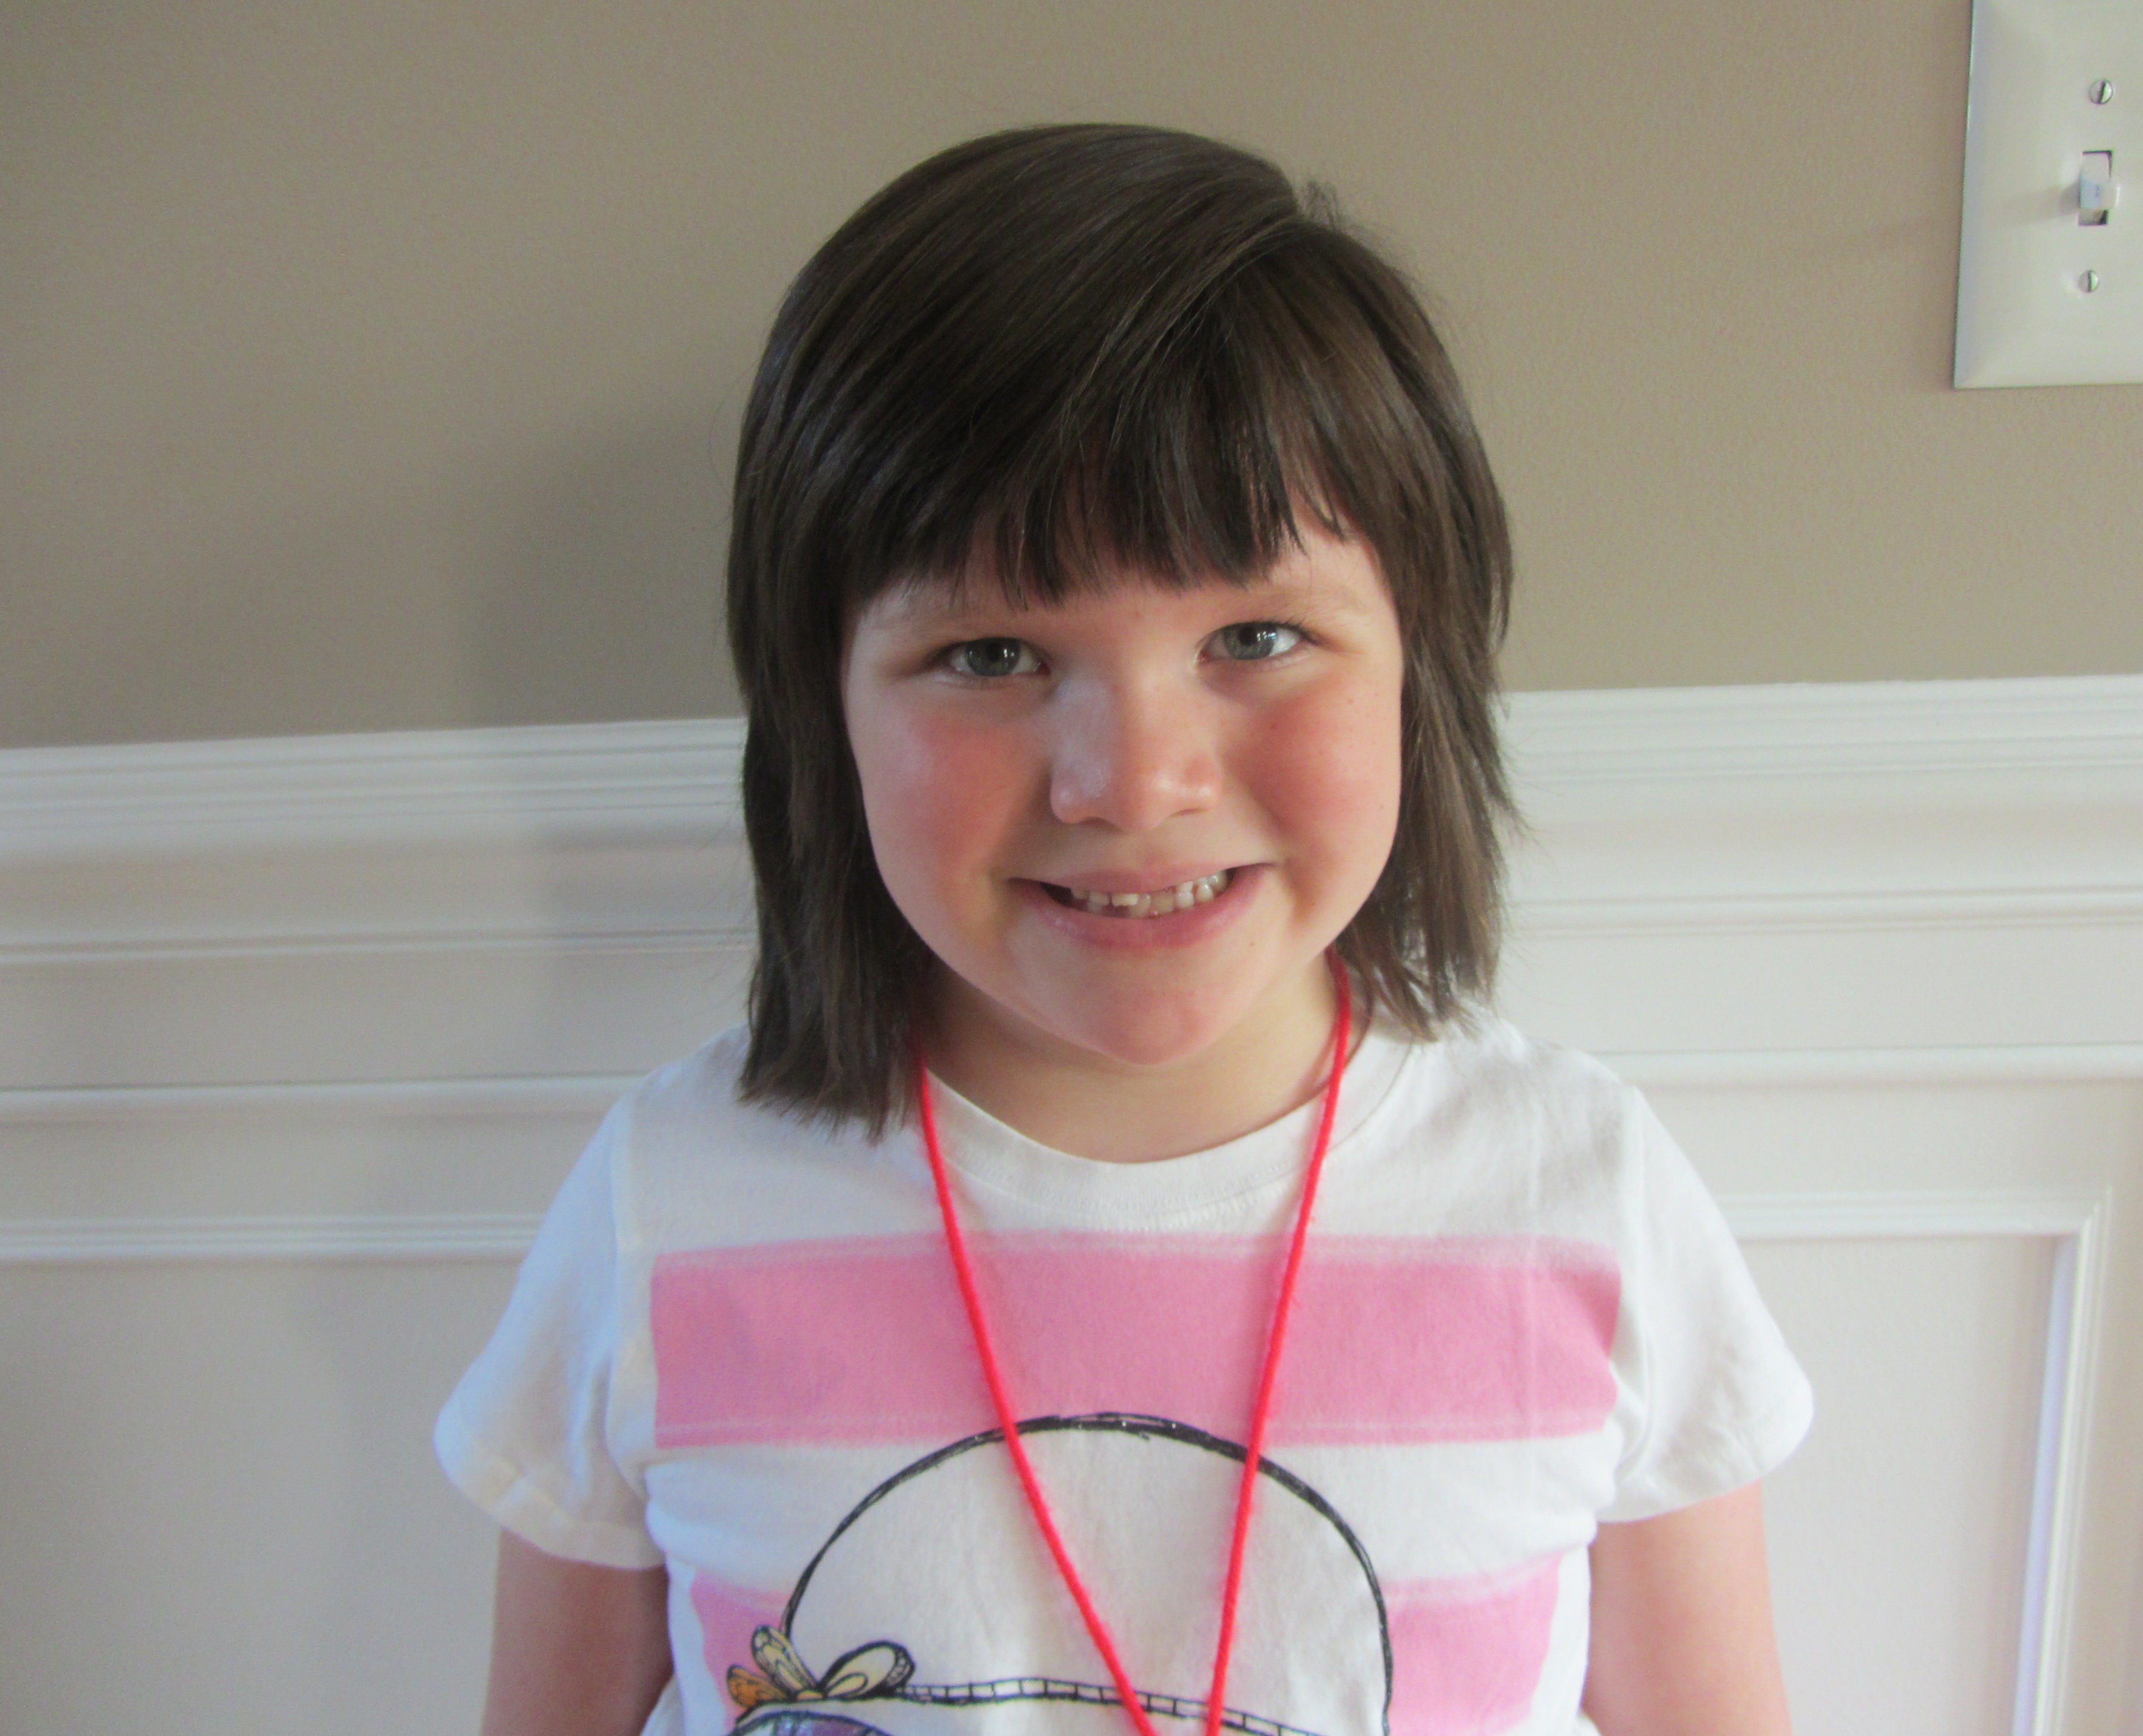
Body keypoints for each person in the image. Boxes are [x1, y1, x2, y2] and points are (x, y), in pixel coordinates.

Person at [437, 123, 1811, 1736]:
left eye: (1258, 635)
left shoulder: (1580, 1192)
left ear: (1418, 673)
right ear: (823, 713)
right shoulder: (668, 1204)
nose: (1135, 783)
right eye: (991, 656)